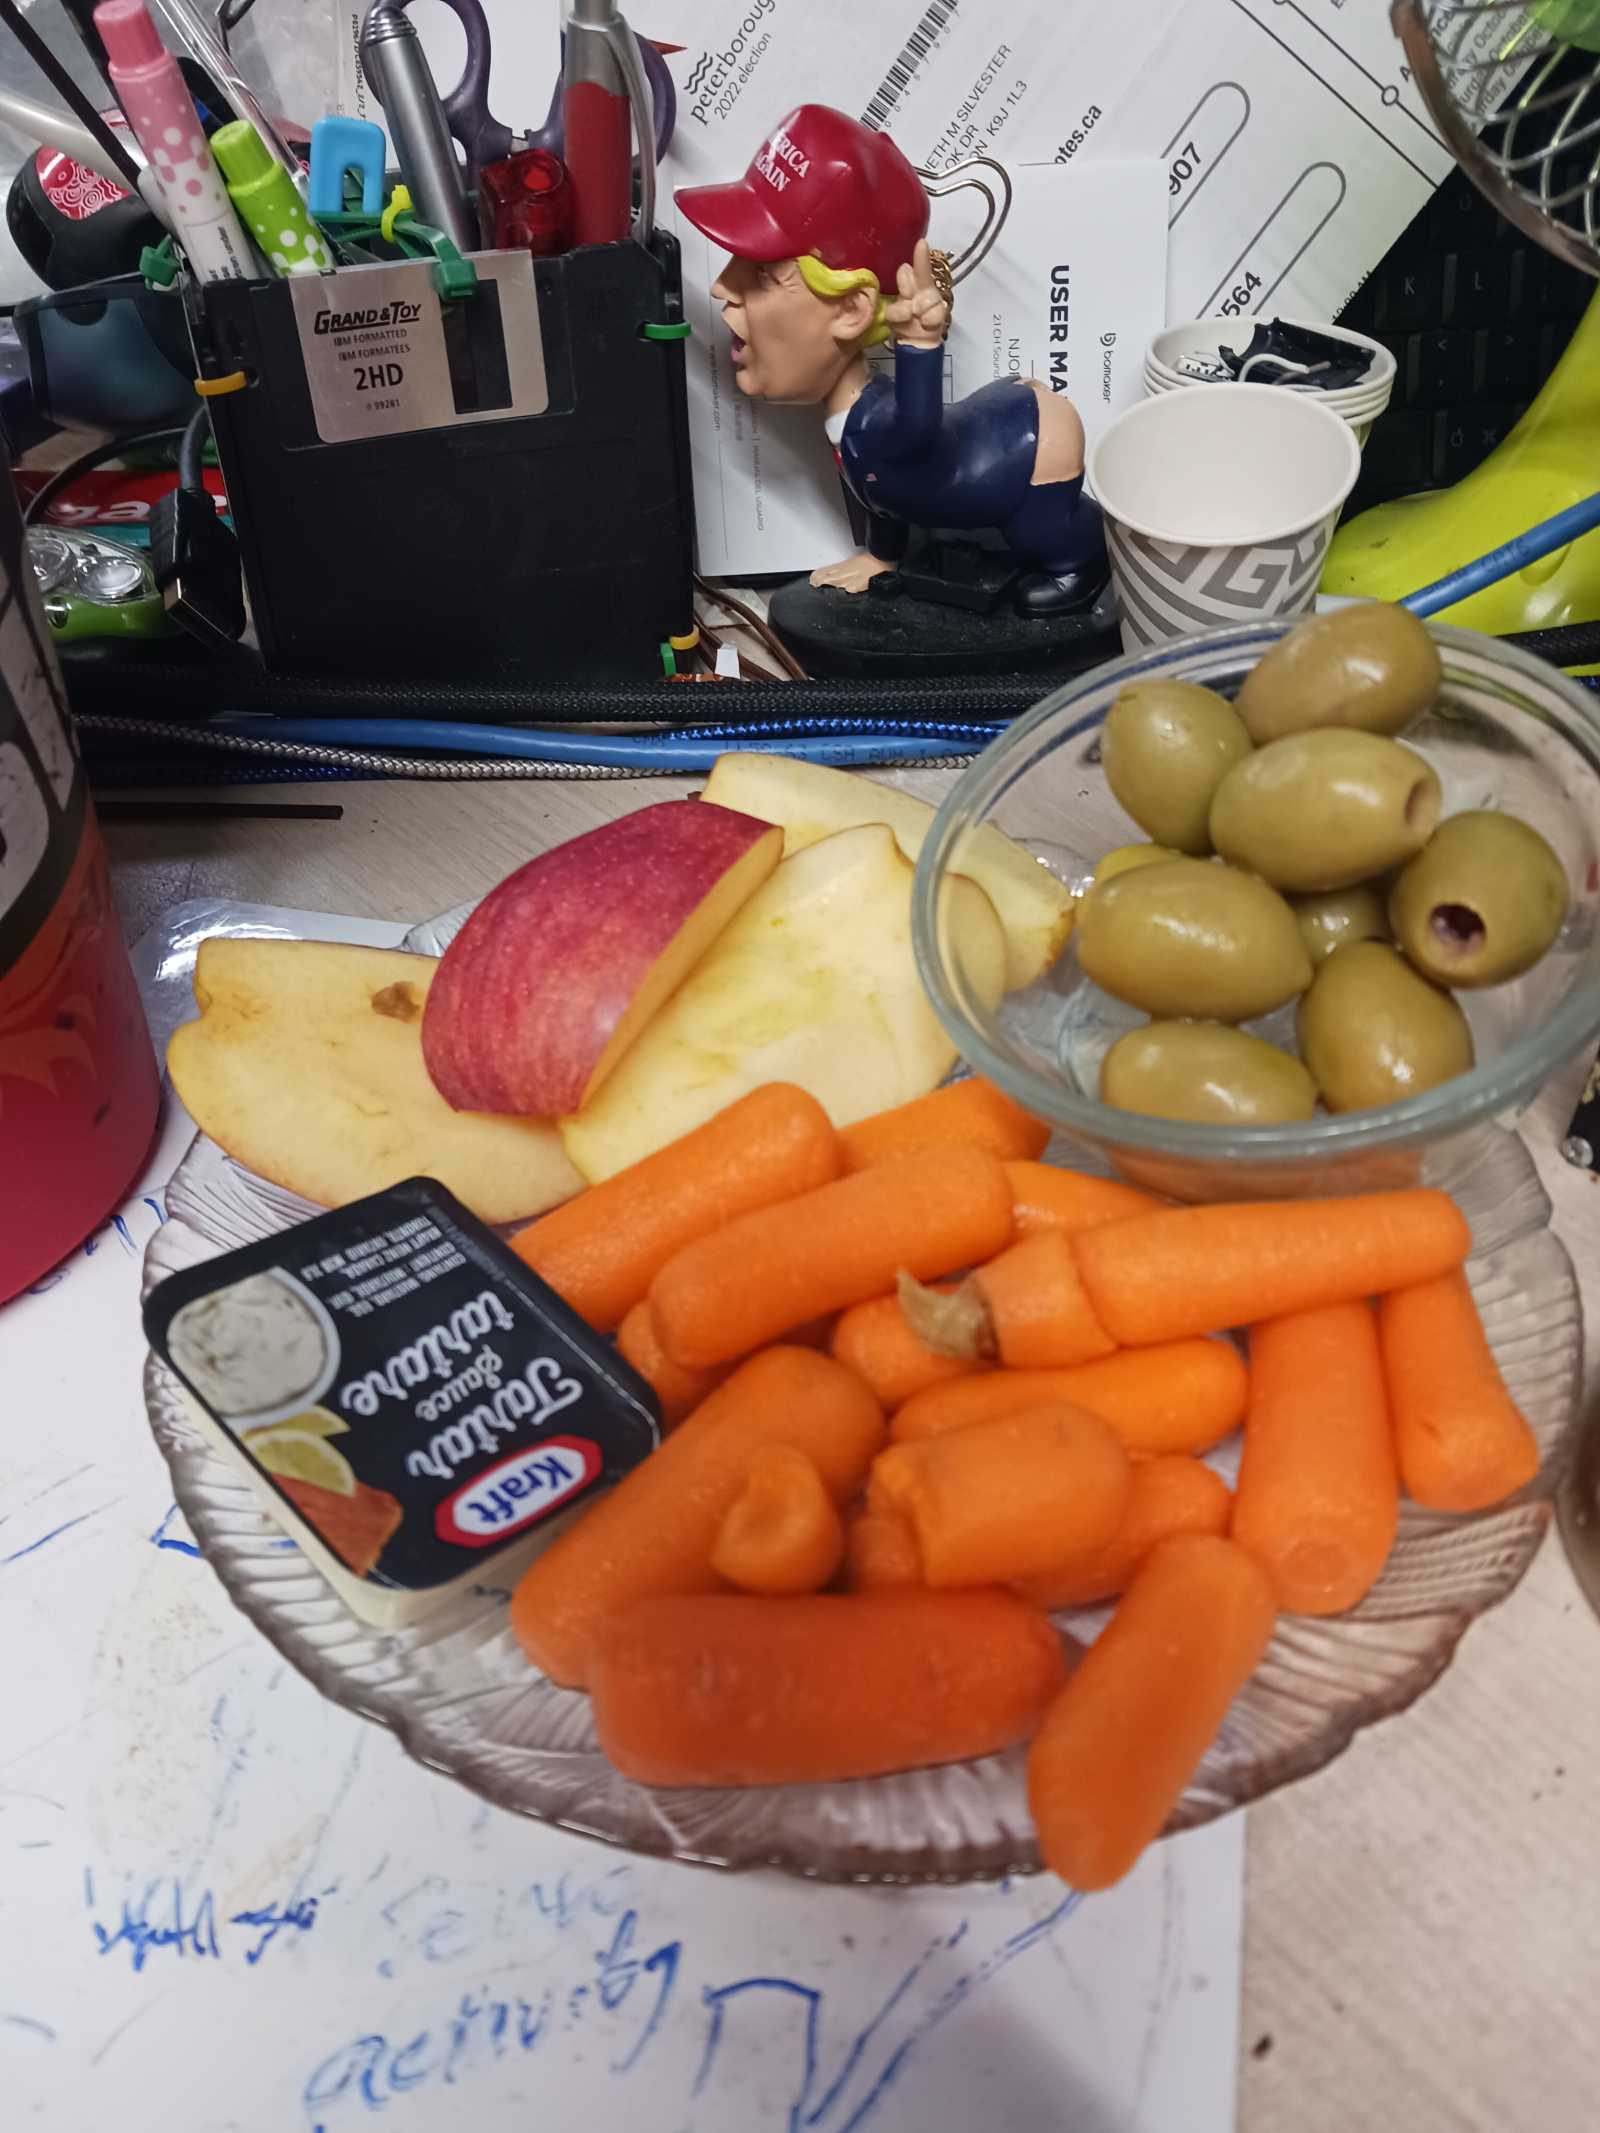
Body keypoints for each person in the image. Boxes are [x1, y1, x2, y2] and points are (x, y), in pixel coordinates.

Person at [676, 105, 1105, 616]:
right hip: (1005, 416)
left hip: (1031, 445)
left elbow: (918, 430)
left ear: (852, 309)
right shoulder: (857, 424)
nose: (721, 287)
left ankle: (1079, 562)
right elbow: (885, 495)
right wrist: (881, 556)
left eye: (764, 275)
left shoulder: (878, 425)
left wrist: (920, 345)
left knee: (1040, 529)